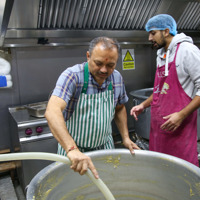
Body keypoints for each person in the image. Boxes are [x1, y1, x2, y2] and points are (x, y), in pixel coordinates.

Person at [45, 37, 140, 179]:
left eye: (110, 65)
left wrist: (125, 137)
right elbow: (52, 111)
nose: (104, 70)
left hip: (105, 148)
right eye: (98, 63)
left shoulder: (117, 78)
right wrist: (72, 149)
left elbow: (119, 108)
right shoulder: (72, 76)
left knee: (106, 187)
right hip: (74, 151)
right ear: (88, 56)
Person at [130, 14, 200, 167]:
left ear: (166, 31)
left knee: (182, 172)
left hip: (180, 130)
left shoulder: (188, 51)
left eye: (153, 33)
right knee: (161, 170)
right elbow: (160, 90)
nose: (149, 38)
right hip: (159, 130)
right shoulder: (161, 54)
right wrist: (143, 105)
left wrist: (181, 115)